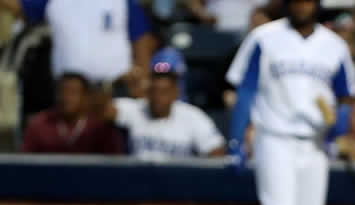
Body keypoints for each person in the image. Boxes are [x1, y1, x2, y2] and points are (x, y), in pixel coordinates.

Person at [226, 0, 355, 205]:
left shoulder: (334, 45)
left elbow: (345, 97)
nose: (302, 5)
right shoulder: (264, 37)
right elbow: (245, 89)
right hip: (275, 137)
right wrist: (236, 138)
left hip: (313, 144)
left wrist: (338, 124)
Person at [97, 57, 225, 161]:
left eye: (165, 91)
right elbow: (100, 110)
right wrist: (113, 83)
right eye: (154, 90)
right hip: (138, 183)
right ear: (147, 91)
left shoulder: (192, 116)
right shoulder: (136, 108)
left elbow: (217, 152)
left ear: (176, 93)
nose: (158, 96)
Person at [8, 0, 153, 89]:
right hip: (69, 93)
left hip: (114, 90)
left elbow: (140, 36)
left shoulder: (123, 1)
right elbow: (19, 5)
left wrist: (143, 79)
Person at [20, 73, 124, 154]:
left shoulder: (100, 127)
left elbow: (114, 163)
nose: (66, 98)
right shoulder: (39, 125)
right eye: (62, 92)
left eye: (73, 92)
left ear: (86, 97)